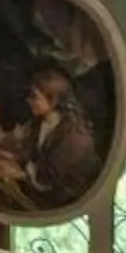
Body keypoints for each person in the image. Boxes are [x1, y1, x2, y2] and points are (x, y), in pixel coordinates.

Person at [17, 65, 97, 207]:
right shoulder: (39, 123)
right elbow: (29, 155)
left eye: (34, 97)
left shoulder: (73, 135)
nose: (29, 101)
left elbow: (49, 179)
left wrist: (16, 173)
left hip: (65, 201)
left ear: (53, 99)